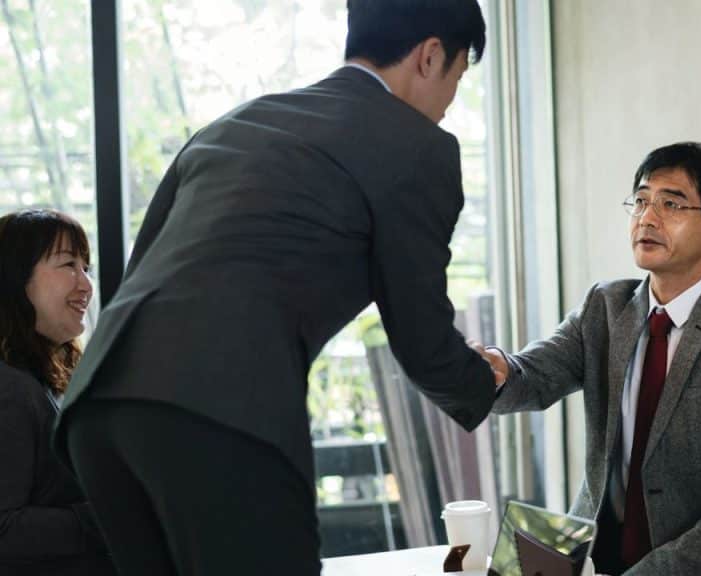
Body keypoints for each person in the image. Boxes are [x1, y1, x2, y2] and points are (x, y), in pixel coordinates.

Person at [53, 1, 501, 574]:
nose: (447, 107)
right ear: (431, 55)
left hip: (99, 409)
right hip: (218, 409)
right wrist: (488, 379)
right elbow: (420, 335)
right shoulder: (418, 147)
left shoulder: (238, 122)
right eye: (458, 79)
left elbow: (141, 271)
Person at [477, 142, 701, 575]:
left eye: (671, 204)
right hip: (591, 559)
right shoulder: (605, 308)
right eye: (642, 201)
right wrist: (497, 369)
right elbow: (534, 375)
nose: (647, 218)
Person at [0, 209, 115, 575]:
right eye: (68, 265)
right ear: (15, 280)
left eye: (87, 267)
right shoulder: (10, 389)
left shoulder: (38, 379)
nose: (86, 285)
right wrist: (111, 515)